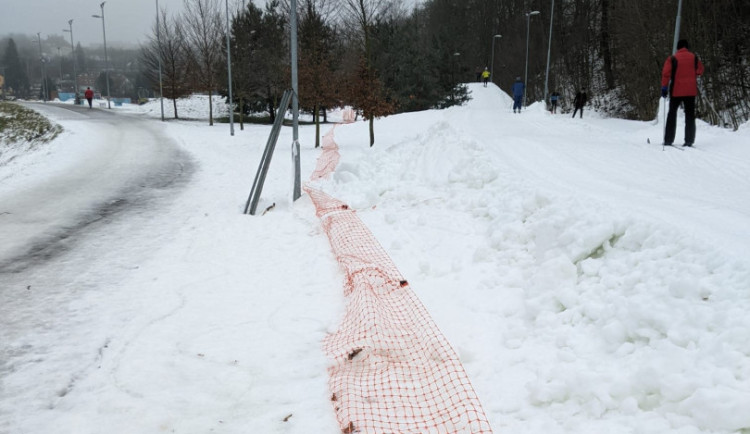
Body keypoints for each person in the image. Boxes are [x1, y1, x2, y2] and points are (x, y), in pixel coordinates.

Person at [661, 39, 705, 147]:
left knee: (672, 114)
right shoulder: (694, 58)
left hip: (676, 90)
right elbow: (700, 71)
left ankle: (668, 140)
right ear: (687, 47)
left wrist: (664, 88)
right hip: (690, 91)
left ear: (678, 48)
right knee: (690, 115)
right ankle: (689, 140)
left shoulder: (672, 59)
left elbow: (666, 74)